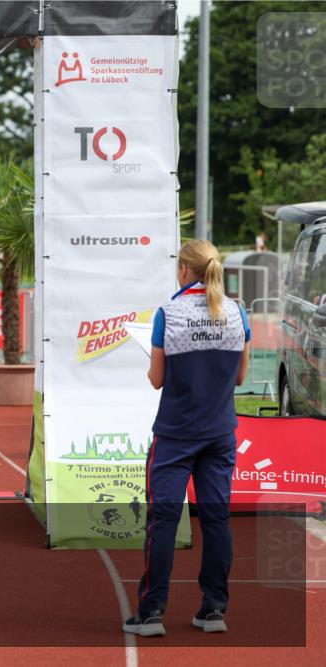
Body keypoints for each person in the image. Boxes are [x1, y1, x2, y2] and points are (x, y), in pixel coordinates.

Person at [123, 240, 251, 638]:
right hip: (218, 433)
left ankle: (151, 613)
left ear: (183, 271)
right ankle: (214, 609)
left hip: (176, 435)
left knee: (162, 522)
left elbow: (157, 379)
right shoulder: (236, 312)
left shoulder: (169, 314)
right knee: (215, 520)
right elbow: (242, 378)